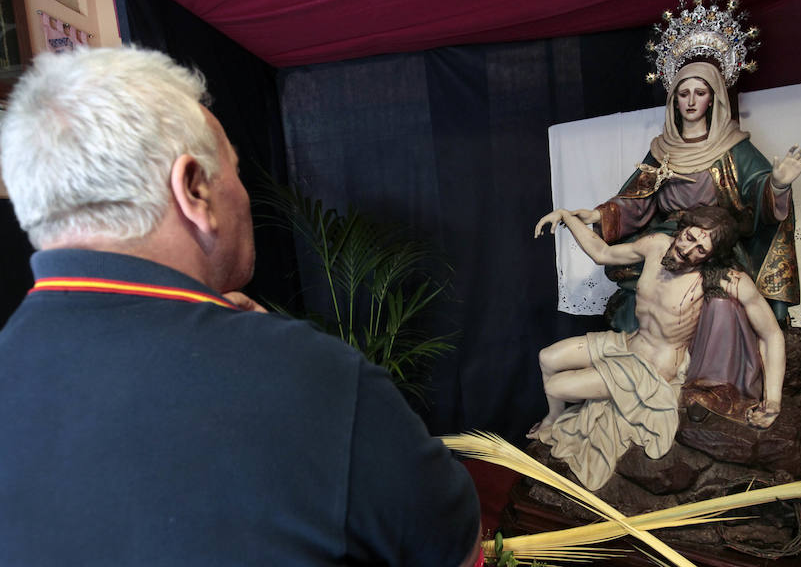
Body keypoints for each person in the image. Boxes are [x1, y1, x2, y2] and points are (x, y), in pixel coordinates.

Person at [0, 47, 481, 566]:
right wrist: (289, 362)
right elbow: (459, 551)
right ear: (194, 191)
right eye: (235, 170)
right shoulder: (316, 380)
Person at [567, 60, 801, 423]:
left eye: (700, 93)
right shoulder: (663, 149)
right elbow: (637, 198)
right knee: (640, 296)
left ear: (713, 99)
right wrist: (597, 215)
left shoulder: (735, 148)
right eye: (683, 94)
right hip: (667, 245)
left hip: (712, 248)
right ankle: (640, 377)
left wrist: (777, 184)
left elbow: (756, 198)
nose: (690, 101)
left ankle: (707, 382)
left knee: (721, 306)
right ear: (673, 100)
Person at [529, 205, 785, 491]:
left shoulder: (724, 280)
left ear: (711, 257)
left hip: (653, 370)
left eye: (702, 249)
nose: (689, 250)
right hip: (628, 343)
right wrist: (565, 216)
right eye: (690, 237)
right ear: (682, 229)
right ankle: (552, 419)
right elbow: (602, 253)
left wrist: (772, 400)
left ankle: (564, 415)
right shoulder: (656, 246)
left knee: (555, 387)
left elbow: (771, 334)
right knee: (547, 358)